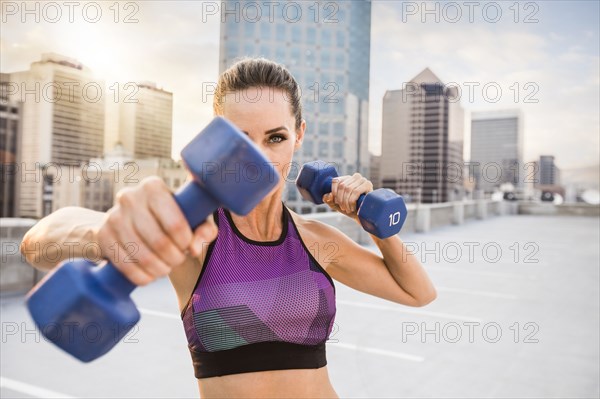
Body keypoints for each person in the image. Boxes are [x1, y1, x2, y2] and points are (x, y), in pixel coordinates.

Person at [21, 57, 437, 398]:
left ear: (299, 136)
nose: (259, 157)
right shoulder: (195, 236)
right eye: (242, 139)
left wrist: (377, 224)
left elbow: (418, 293)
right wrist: (104, 233)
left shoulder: (315, 240)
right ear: (216, 137)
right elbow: (39, 240)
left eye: (275, 138)